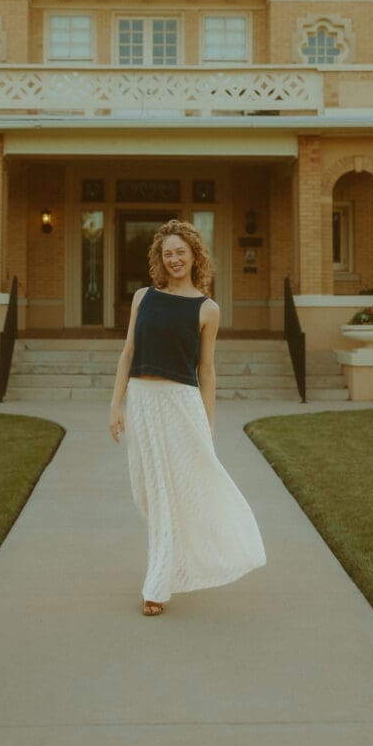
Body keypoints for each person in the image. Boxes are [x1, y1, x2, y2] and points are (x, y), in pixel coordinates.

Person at [109, 219, 266, 616]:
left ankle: (157, 585)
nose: (174, 259)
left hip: (181, 404)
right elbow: (128, 353)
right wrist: (115, 405)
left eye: (181, 252)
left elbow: (206, 370)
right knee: (149, 492)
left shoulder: (207, 309)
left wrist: (207, 425)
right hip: (143, 402)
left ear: (195, 256)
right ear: (159, 258)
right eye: (168, 253)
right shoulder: (143, 297)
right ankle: (176, 564)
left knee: (170, 494)